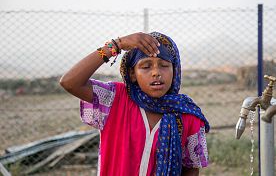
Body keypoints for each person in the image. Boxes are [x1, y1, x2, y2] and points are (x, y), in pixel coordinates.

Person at [60, 32, 210, 176]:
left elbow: (190, 169)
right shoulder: (115, 100)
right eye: (146, 66)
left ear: (175, 70)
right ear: (132, 74)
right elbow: (70, 82)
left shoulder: (187, 115)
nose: (156, 73)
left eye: (164, 65)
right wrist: (117, 45)